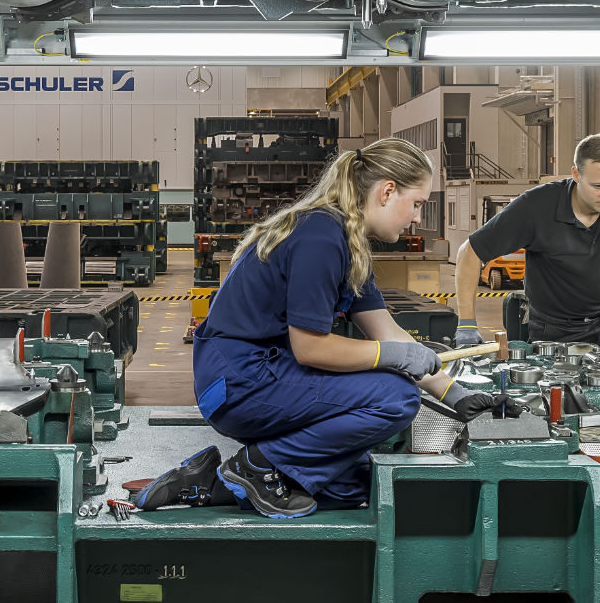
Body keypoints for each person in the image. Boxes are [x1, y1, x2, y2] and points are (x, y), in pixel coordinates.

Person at [137, 138, 501, 519]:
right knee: (396, 397)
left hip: (260, 376)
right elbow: (311, 349)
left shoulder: (348, 244)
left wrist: (453, 393)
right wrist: (393, 359)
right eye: (417, 204)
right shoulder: (321, 236)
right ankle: (257, 465)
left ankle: (208, 484)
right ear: (387, 191)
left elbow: (388, 334)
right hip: (238, 381)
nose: (416, 218)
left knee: (354, 484)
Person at [450, 132, 600, 350]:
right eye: (598, 186)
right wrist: (467, 323)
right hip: (556, 328)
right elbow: (469, 252)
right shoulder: (536, 207)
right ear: (576, 175)